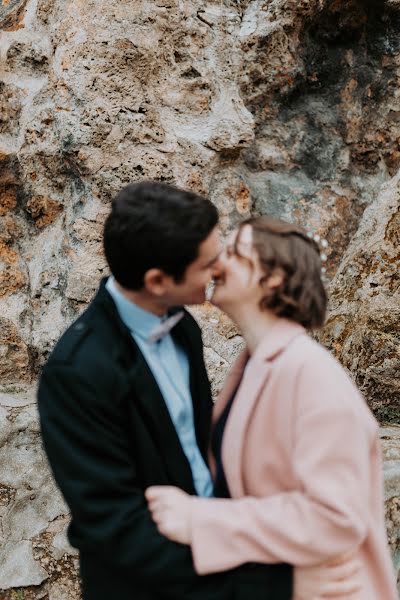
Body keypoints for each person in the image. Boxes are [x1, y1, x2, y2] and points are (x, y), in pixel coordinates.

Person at [146, 216, 398, 600]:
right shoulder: (252, 366)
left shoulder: (312, 374)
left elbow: (334, 518)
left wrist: (201, 520)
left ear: (274, 276)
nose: (217, 264)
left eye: (233, 253)